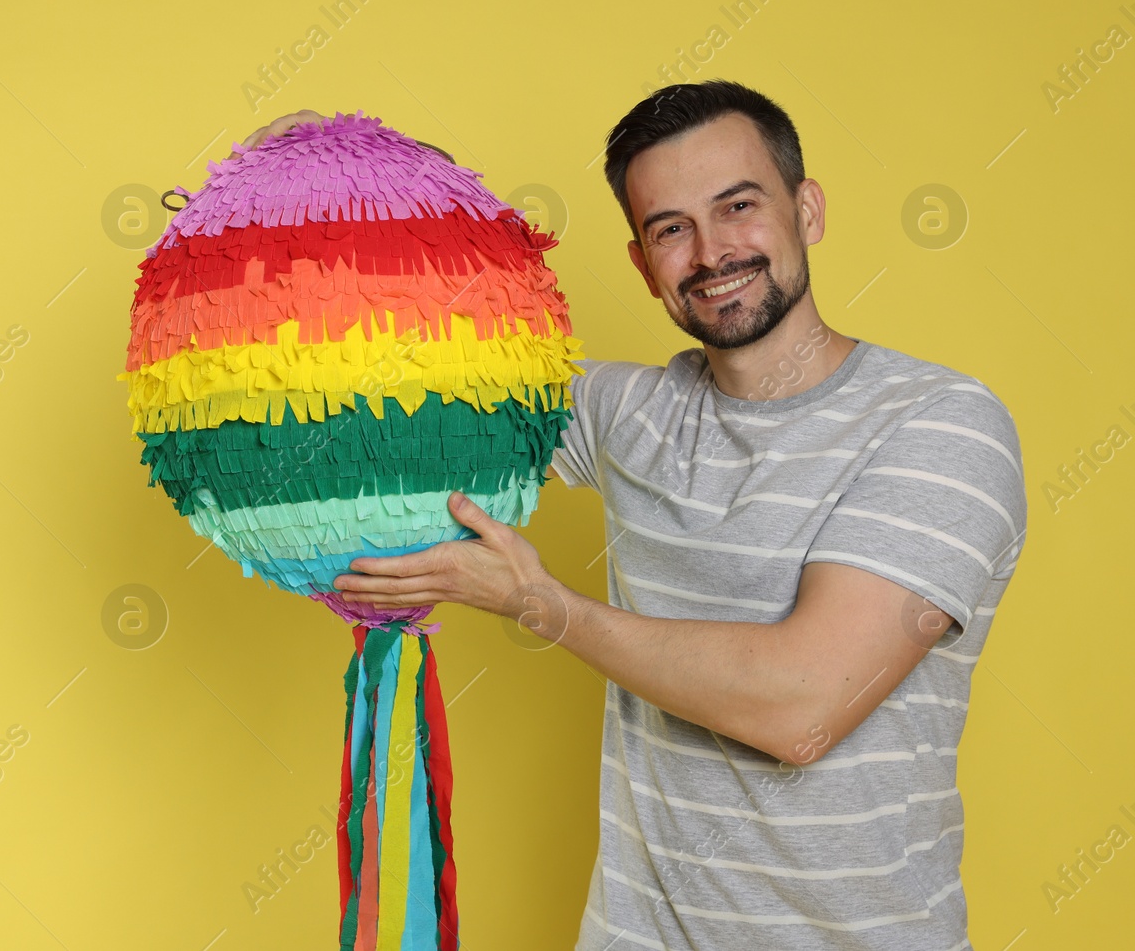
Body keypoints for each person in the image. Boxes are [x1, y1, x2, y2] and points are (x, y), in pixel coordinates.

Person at [232, 83, 1026, 950]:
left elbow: (805, 708)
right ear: (643, 263)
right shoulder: (628, 414)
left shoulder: (941, 423)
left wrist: (539, 603)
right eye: (670, 228)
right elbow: (407, 381)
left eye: (739, 206)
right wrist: (304, 202)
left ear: (809, 209)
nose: (713, 251)